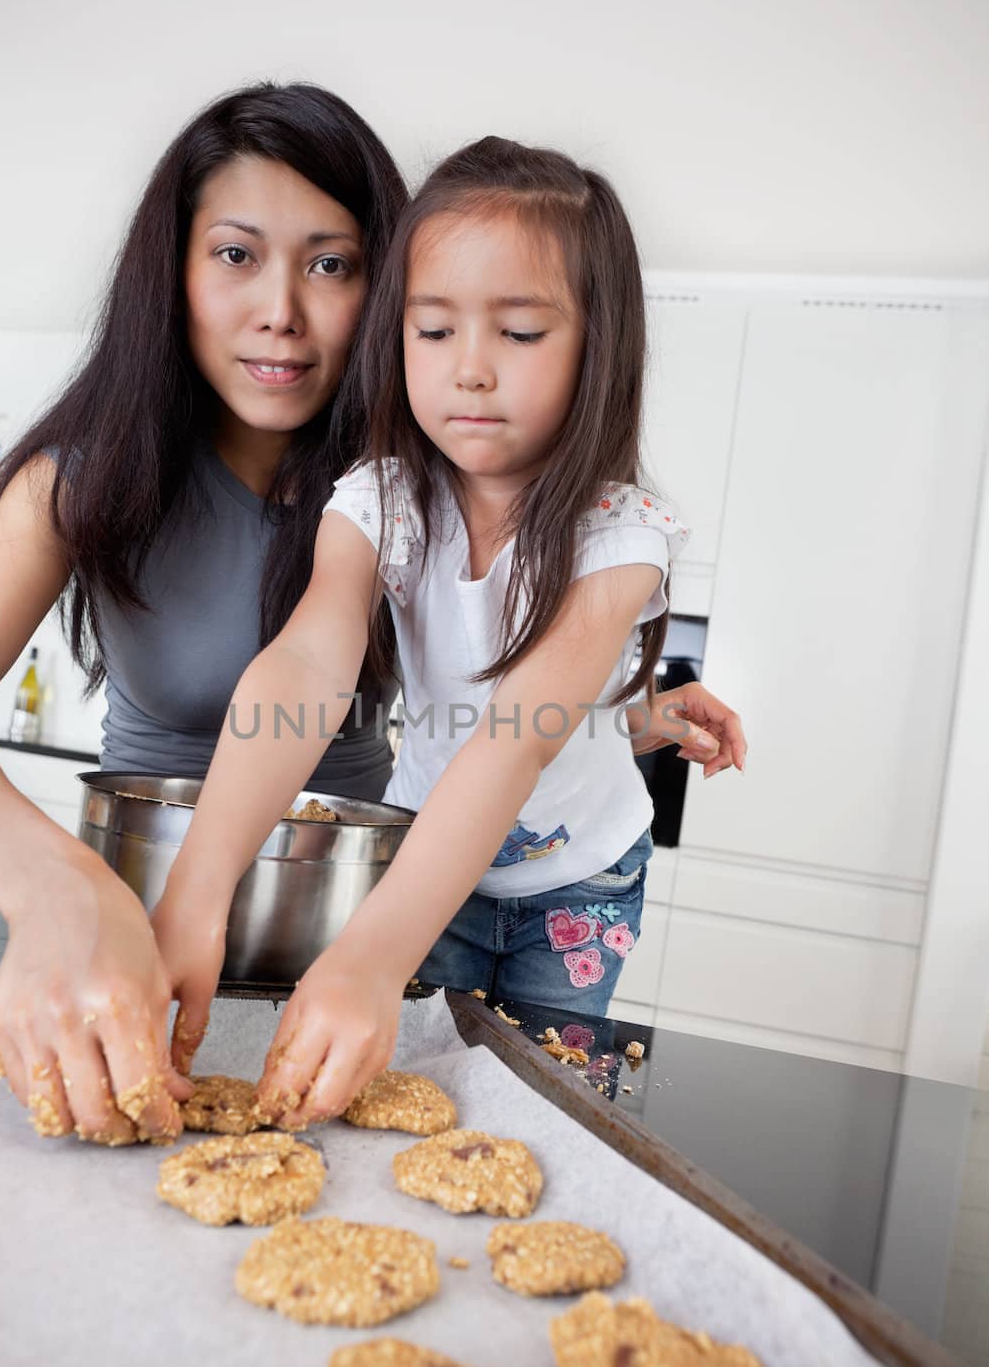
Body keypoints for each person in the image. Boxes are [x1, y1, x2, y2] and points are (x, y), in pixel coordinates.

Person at [151, 136, 747, 1126]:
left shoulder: (621, 533)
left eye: (517, 333)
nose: (468, 371)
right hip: (426, 866)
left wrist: (368, 957)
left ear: (598, 345)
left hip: (579, 883)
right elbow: (305, 664)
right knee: (402, 1096)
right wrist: (198, 887)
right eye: (432, 331)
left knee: (546, 1107)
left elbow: (521, 731)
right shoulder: (379, 502)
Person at [0, 82, 408, 1142]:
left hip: (352, 977)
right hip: (123, 953)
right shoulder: (77, 482)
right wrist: (52, 885)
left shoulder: (408, 494)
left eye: (330, 264)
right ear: (173, 274)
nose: (280, 308)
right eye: (235, 254)